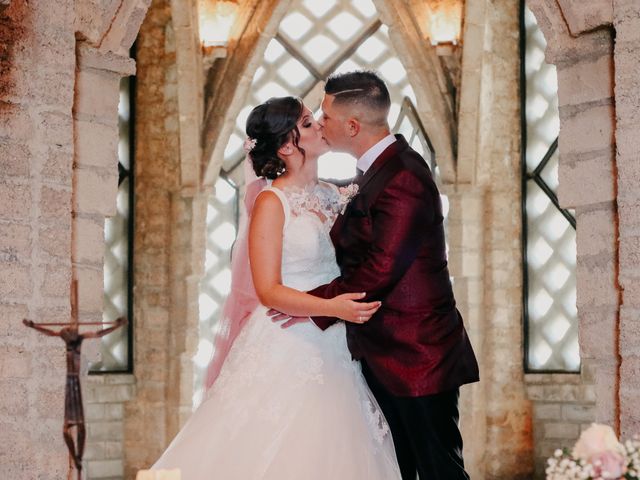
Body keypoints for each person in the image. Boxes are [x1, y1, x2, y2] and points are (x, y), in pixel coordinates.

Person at [149, 96, 402, 479]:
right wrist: (335, 308)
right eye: (306, 123)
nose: (318, 124)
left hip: (337, 344)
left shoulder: (336, 196)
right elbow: (268, 290)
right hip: (288, 342)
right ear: (286, 146)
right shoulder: (272, 201)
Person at [273, 71, 480, 480]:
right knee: (397, 468)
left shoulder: (404, 176)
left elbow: (380, 269)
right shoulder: (378, 169)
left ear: (352, 126)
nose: (319, 120)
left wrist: (314, 305)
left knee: (439, 470)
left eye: (325, 114)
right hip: (383, 352)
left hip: (416, 356)